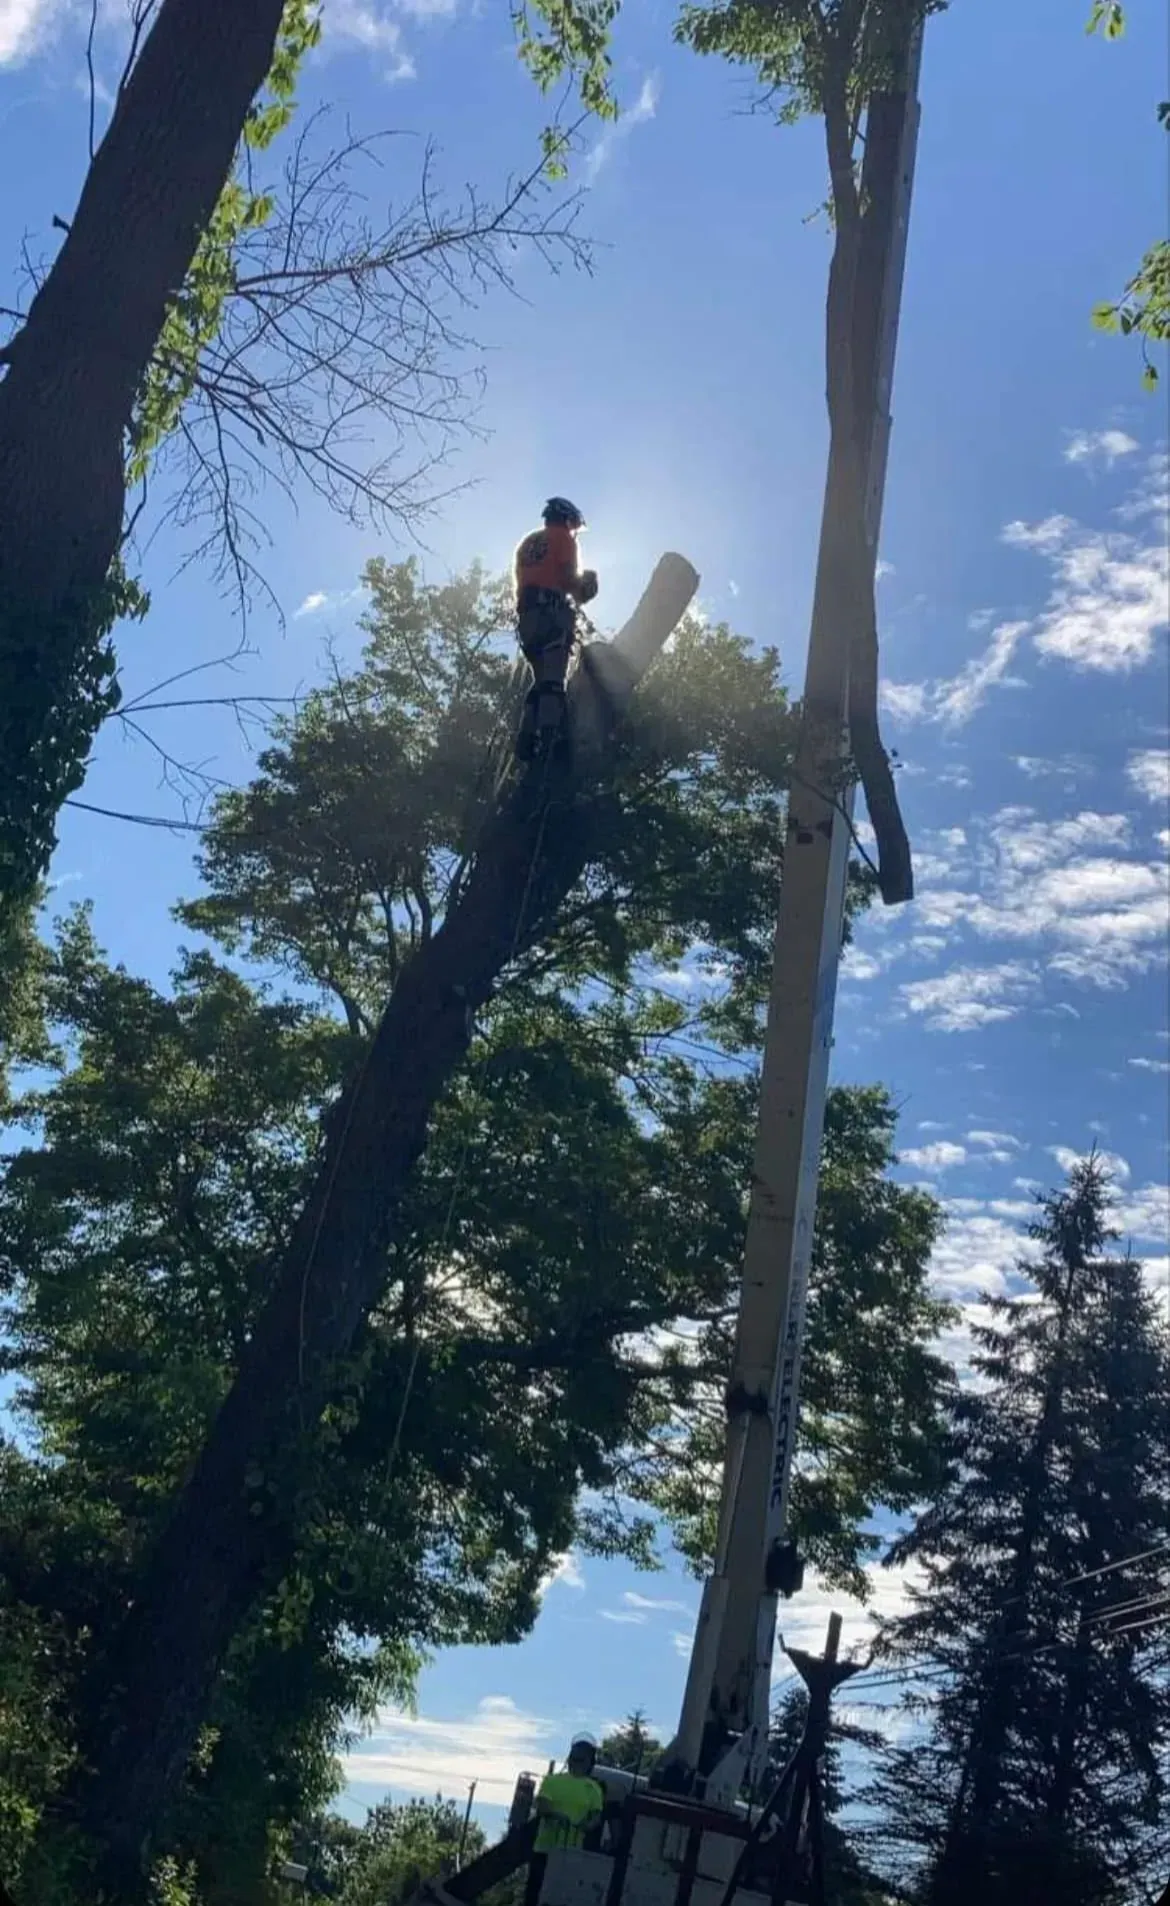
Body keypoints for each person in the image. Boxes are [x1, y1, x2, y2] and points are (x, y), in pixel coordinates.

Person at [513, 497, 599, 760]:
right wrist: (586, 586)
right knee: (552, 680)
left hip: (527, 619)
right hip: (551, 614)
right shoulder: (563, 540)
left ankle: (526, 737)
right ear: (566, 519)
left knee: (539, 681)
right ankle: (550, 738)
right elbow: (567, 579)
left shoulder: (527, 543)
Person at [523, 1734, 606, 1906]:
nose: (576, 1762)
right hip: (545, 1849)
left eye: (581, 1759)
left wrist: (585, 1826)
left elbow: (596, 1817)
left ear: (589, 1762)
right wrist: (556, 1815)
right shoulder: (552, 1781)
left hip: (571, 1854)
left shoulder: (593, 1789)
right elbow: (542, 1804)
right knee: (534, 1896)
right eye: (574, 1758)